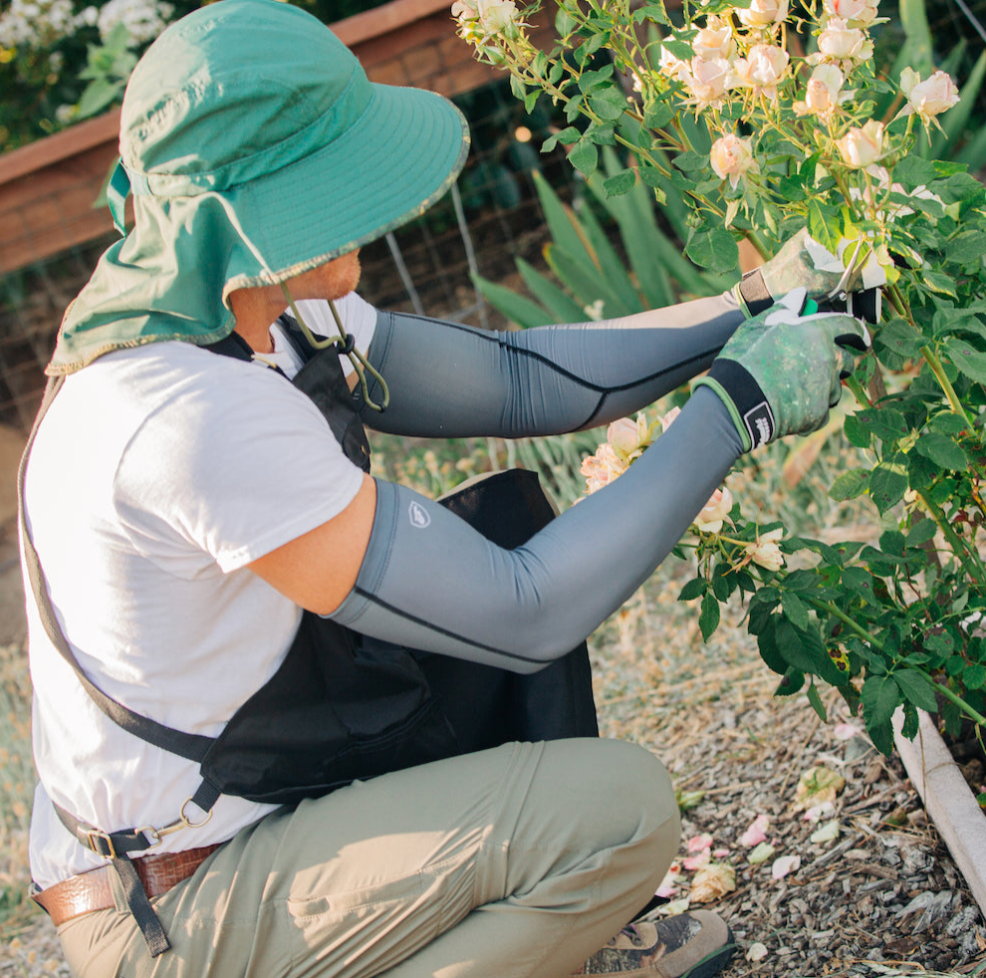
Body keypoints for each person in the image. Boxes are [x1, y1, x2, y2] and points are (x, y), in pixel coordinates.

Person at [18, 2, 871, 977]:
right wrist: (738, 406)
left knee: (483, 555)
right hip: (181, 904)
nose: (366, 205)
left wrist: (747, 311)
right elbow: (528, 609)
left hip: (260, 798)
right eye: (327, 180)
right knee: (616, 813)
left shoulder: (257, 302)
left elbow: (523, 380)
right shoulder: (181, 411)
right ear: (240, 211)